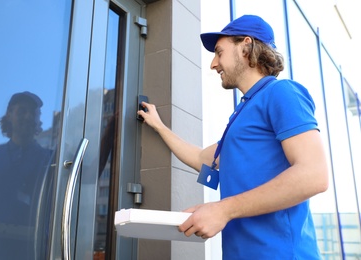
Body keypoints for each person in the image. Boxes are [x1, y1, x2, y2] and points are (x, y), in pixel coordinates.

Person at [137, 15, 329, 259]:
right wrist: (159, 126)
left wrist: (222, 210)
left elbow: (314, 175)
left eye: (219, 52)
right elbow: (199, 157)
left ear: (246, 46)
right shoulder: (244, 112)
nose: (213, 64)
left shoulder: (282, 92)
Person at [0, 91, 53, 259]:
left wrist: (111, 130)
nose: (29, 116)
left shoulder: (51, 159)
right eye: (22, 111)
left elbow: (88, 175)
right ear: (9, 115)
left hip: (31, 252)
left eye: (34, 113)